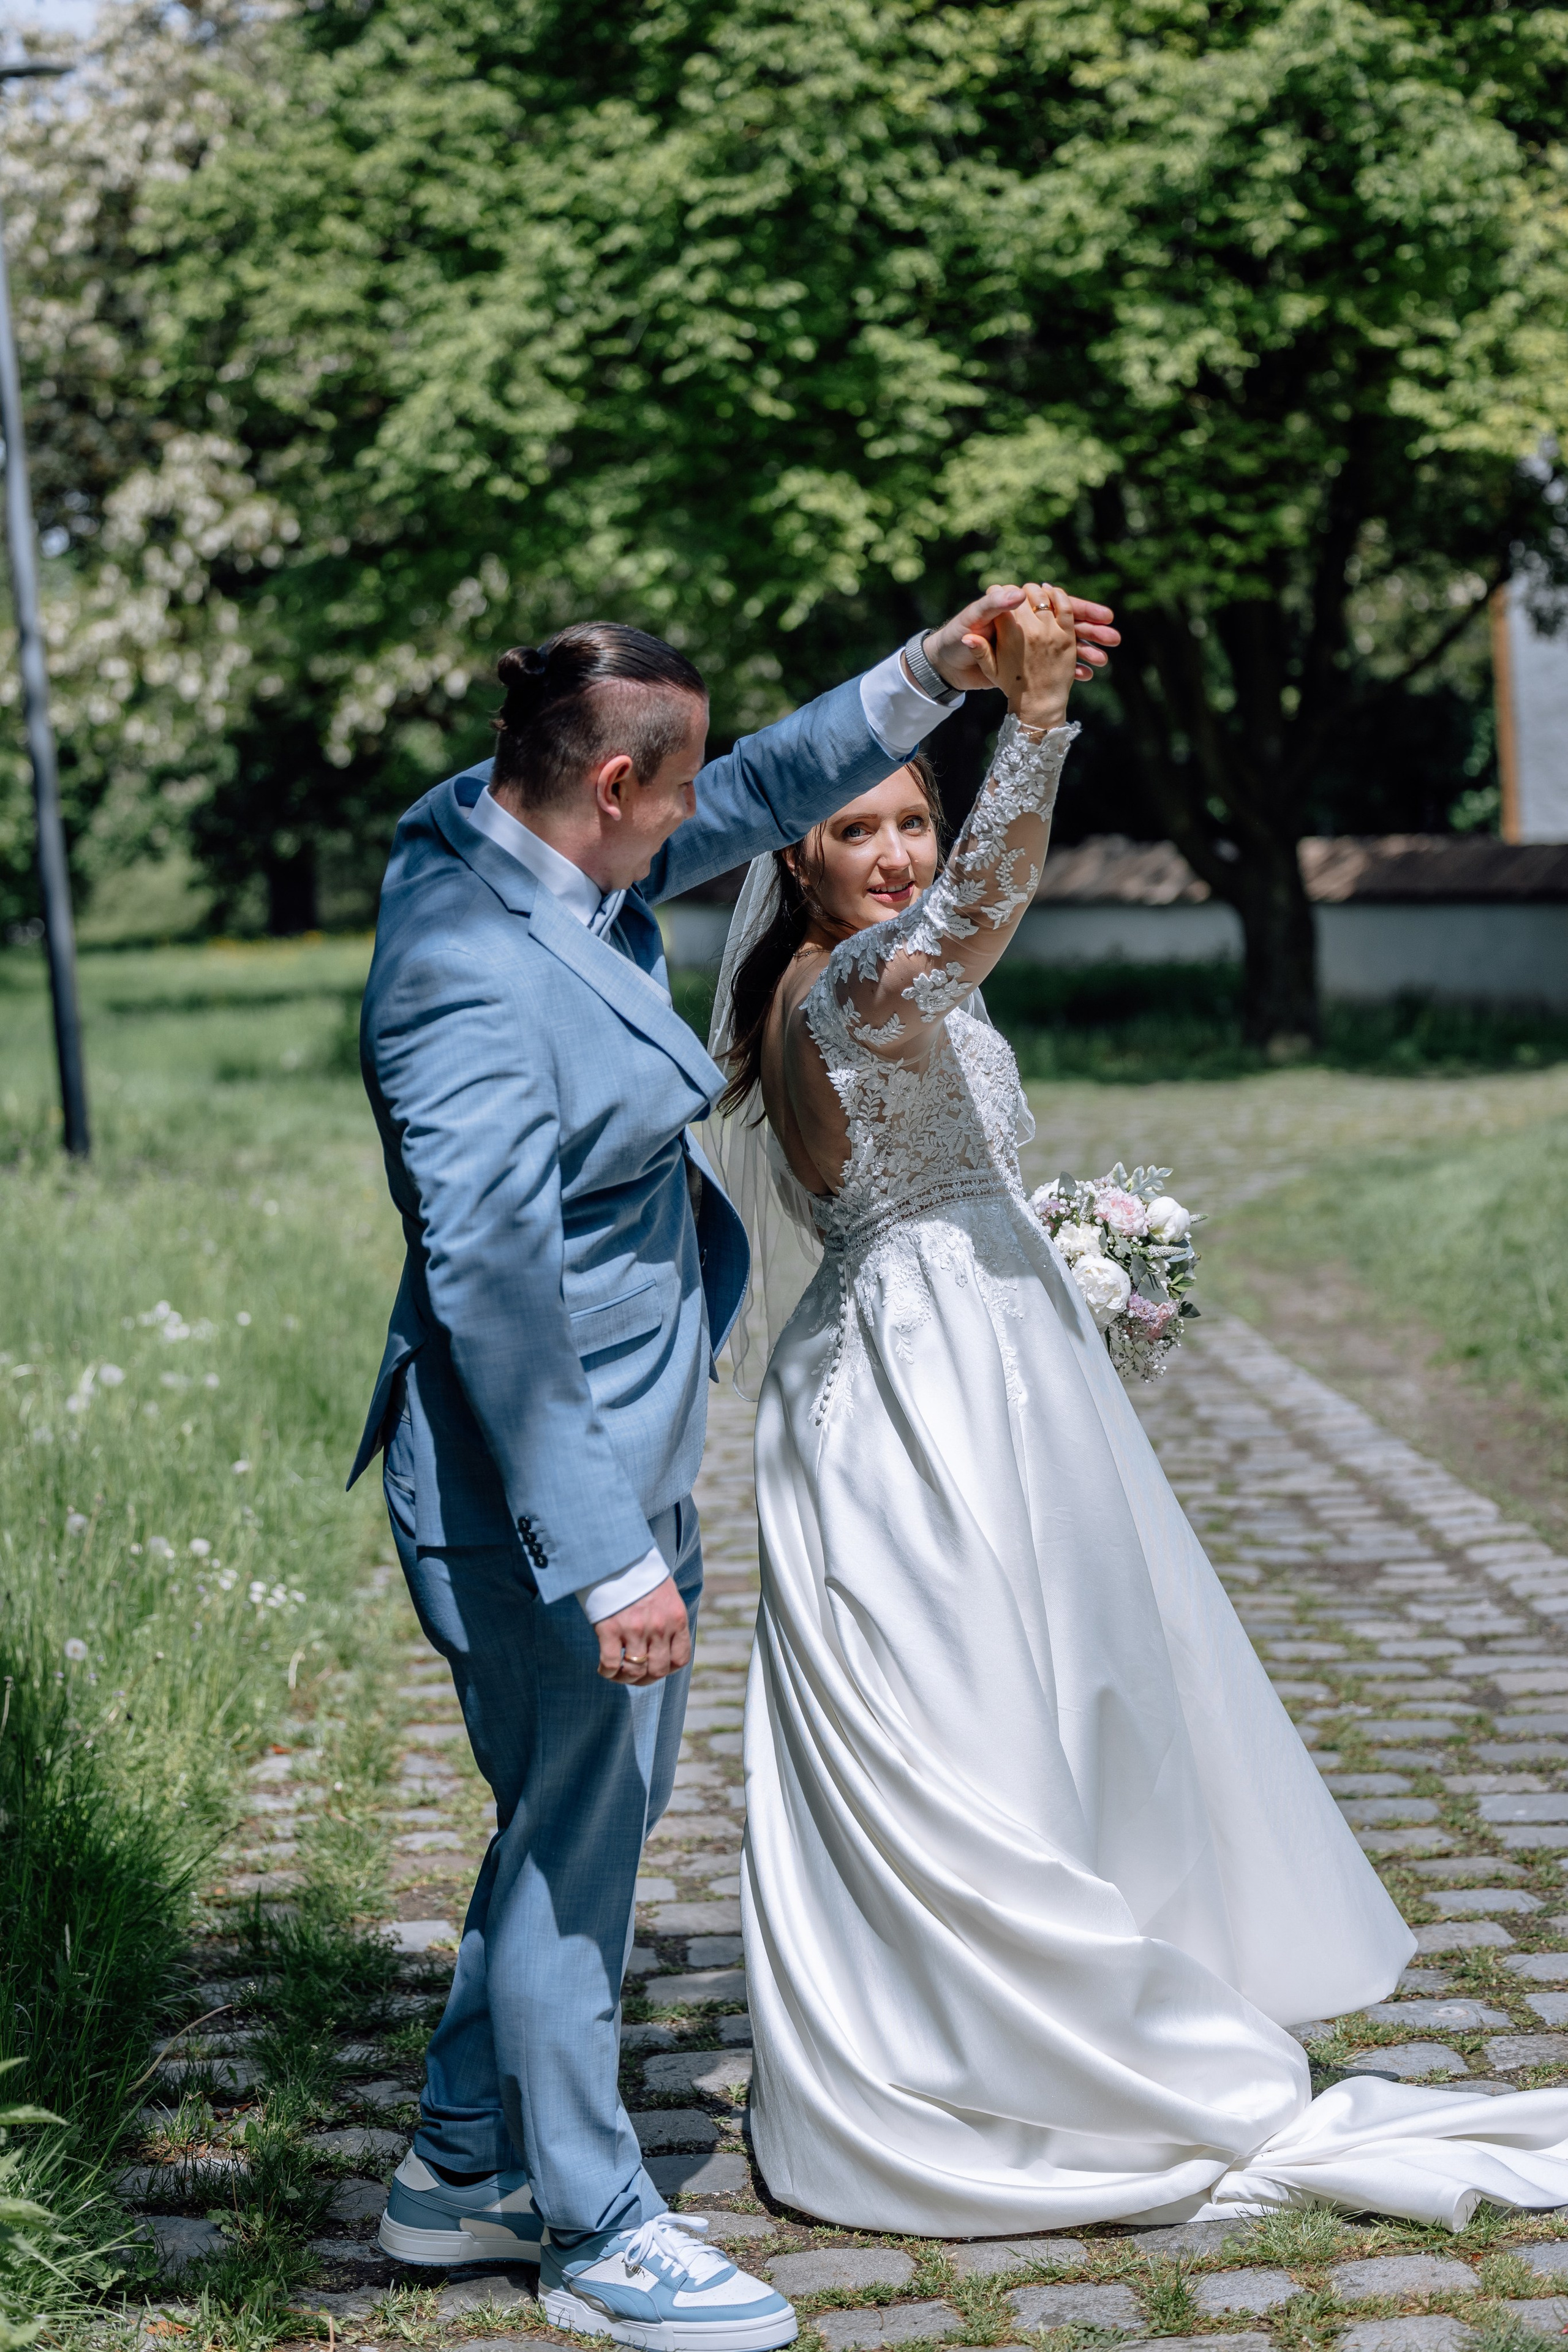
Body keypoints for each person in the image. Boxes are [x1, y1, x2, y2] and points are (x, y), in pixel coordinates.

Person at [711, 584, 1568, 2235]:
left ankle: (1041, 1981)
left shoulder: (858, 979)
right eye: (854, 829)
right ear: (795, 862)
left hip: (995, 1343)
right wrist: (1031, 727)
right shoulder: (853, 987)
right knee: (964, 1703)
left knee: (1070, 1675)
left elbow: (953, 1132)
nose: (890, 849)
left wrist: (1077, 1256)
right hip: (923, 1382)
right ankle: (1014, 2037)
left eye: (909, 817)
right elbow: (980, 911)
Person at [347, 591, 1120, 2350]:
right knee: (576, 1850)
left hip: (624, 1429)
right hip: (548, 1484)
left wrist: (943, 665)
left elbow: (773, 775)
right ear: (614, 781)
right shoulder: (463, 971)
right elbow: (486, 1275)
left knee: (570, 1819)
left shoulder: (523, 838)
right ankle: (597, 2224)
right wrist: (606, 1552)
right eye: (680, 794)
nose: (718, 821)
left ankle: (456, 2161)